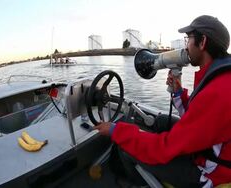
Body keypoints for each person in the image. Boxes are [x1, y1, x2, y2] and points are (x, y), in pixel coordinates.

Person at [94, 15, 231, 188]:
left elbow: (165, 148)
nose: (186, 45)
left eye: (188, 39)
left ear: (202, 42)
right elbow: (200, 119)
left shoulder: (218, 91)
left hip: (210, 174)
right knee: (160, 121)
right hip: (209, 150)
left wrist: (116, 131)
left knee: (125, 147)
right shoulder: (220, 77)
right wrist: (178, 94)